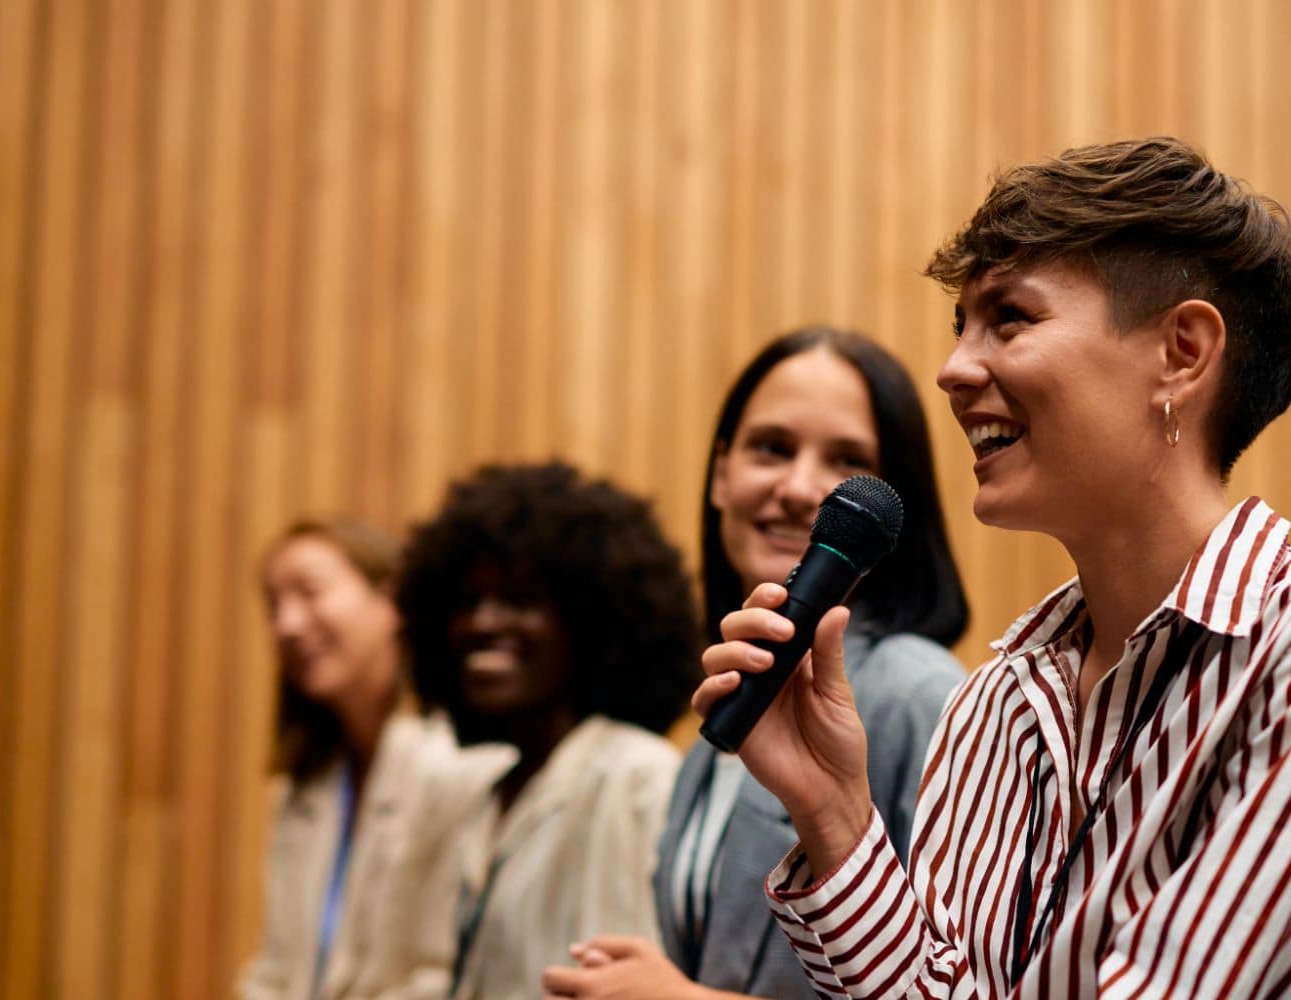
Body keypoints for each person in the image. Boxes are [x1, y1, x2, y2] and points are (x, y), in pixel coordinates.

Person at [694, 137, 1291, 997]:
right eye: (962, 329)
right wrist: (835, 810)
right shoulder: (997, 699)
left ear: (1181, 353)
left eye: (1011, 319)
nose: (954, 371)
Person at [543, 327, 971, 999]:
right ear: (721, 474)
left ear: (892, 514)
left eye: (846, 462)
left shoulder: (919, 693)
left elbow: (956, 985)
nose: (801, 489)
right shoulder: (726, 706)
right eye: (772, 449)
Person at [396, 462, 702, 1000]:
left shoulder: (633, 775)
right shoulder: (483, 791)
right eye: (468, 602)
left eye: (518, 600)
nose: (483, 622)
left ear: (589, 623)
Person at [239, 517, 507, 1000]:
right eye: (274, 605)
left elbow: (447, 971)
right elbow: (277, 968)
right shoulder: (303, 787)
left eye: (310, 592)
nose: (287, 624)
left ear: (391, 601)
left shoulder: (457, 766)